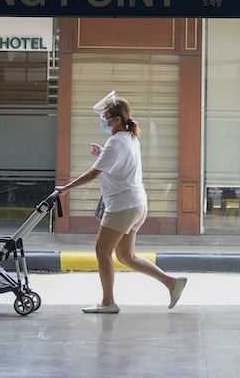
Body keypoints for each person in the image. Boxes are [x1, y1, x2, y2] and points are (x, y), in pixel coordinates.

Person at [56, 93, 188, 313]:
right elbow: (117, 165)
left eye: (106, 117)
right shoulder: (130, 138)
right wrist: (102, 153)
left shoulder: (115, 142)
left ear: (116, 119)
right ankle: (172, 283)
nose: (103, 121)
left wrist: (65, 189)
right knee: (126, 256)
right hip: (137, 204)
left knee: (102, 251)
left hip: (122, 206)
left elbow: (92, 174)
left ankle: (108, 302)